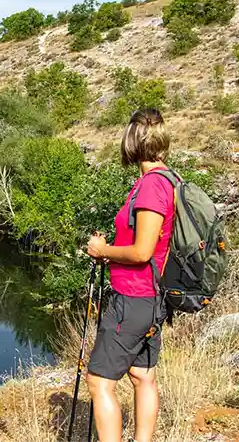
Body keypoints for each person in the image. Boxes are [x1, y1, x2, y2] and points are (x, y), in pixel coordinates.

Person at [85, 108, 175, 442]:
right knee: (142, 375)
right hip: (153, 298)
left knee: (99, 382)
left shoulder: (152, 187)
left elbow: (142, 251)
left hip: (134, 299)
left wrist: (102, 251)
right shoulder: (170, 180)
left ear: (131, 141)